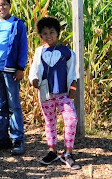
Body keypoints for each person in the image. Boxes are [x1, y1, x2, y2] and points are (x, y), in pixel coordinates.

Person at [28, 16, 81, 170]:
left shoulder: (67, 52)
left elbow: (73, 72)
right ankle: (52, 151)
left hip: (63, 93)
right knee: (50, 122)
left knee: (71, 119)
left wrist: (73, 89)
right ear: (41, 36)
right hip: (46, 93)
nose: (48, 36)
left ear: (57, 33)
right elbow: (34, 69)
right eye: (44, 33)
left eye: (51, 32)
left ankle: (68, 153)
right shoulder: (39, 52)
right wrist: (33, 80)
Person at [0, 0, 28, 155]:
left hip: (10, 70)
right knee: (1, 105)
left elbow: (23, 46)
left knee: (14, 105)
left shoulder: (17, 24)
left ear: (10, 6)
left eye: (3, 5)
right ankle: (2, 139)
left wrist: (20, 68)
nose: (1, 8)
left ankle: (18, 140)